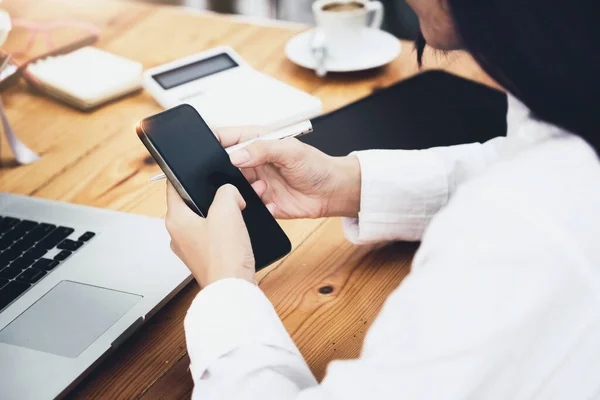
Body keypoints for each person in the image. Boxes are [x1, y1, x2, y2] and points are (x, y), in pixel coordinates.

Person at [165, 0, 600, 398]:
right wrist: (347, 183)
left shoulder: (523, 228)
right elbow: (524, 158)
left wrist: (225, 287)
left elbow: (528, 203)